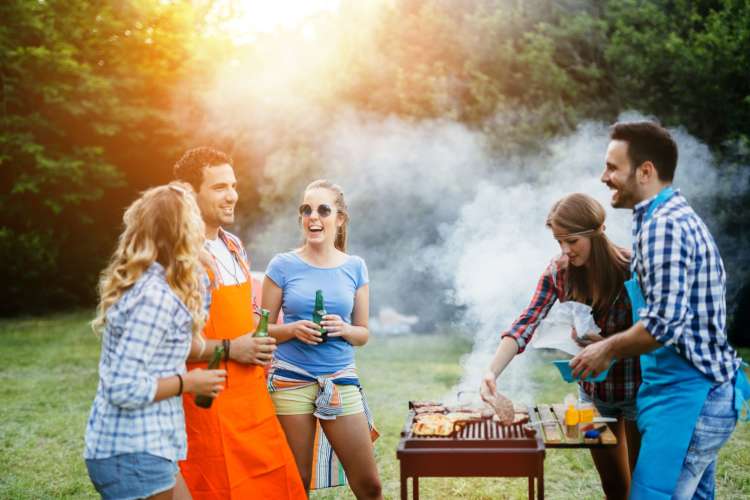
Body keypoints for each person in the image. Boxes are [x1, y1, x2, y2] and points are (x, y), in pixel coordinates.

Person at [572, 121, 749, 499]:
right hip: (695, 394)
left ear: (646, 171)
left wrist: (606, 349)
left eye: (612, 167)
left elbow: (664, 325)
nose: (604, 178)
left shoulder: (663, 228)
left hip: (691, 399)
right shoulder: (661, 219)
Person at [480, 193, 642, 500]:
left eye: (572, 241)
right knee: (615, 489)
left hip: (637, 390)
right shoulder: (559, 271)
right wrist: (491, 372)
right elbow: (527, 322)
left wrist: (608, 346)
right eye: (559, 242)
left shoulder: (631, 269)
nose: (565, 251)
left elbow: (653, 333)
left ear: (599, 231)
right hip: (593, 395)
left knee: (643, 488)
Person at [173, 147, 305, 499]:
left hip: (252, 402)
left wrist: (276, 334)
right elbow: (168, 342)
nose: (232, 195)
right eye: (219, 187)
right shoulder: (178, 255)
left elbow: (243, 316)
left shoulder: (233, 246)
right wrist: (234, 348)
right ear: (189, 191)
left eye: (233, 185)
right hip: (207, 408)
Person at [84, 183, 227, 500]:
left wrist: (203, 270)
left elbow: (188, 331)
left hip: (148, 447)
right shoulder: (153, 298)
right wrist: (189, 382)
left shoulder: (158, 283)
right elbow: (122, 386)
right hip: (132, 450)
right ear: (184, 231)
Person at [262, 179, 383, 499]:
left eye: (323, 210)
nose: (313, 217)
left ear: (340, 219)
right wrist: (292, 329)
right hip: (291, 380)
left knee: (370, 484)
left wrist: (343, 329)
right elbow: (258, 328)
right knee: (295, 482)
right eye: (306, 210)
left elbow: (363, 334)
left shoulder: (355, 267)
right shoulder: (283, 264)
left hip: (340, 380)